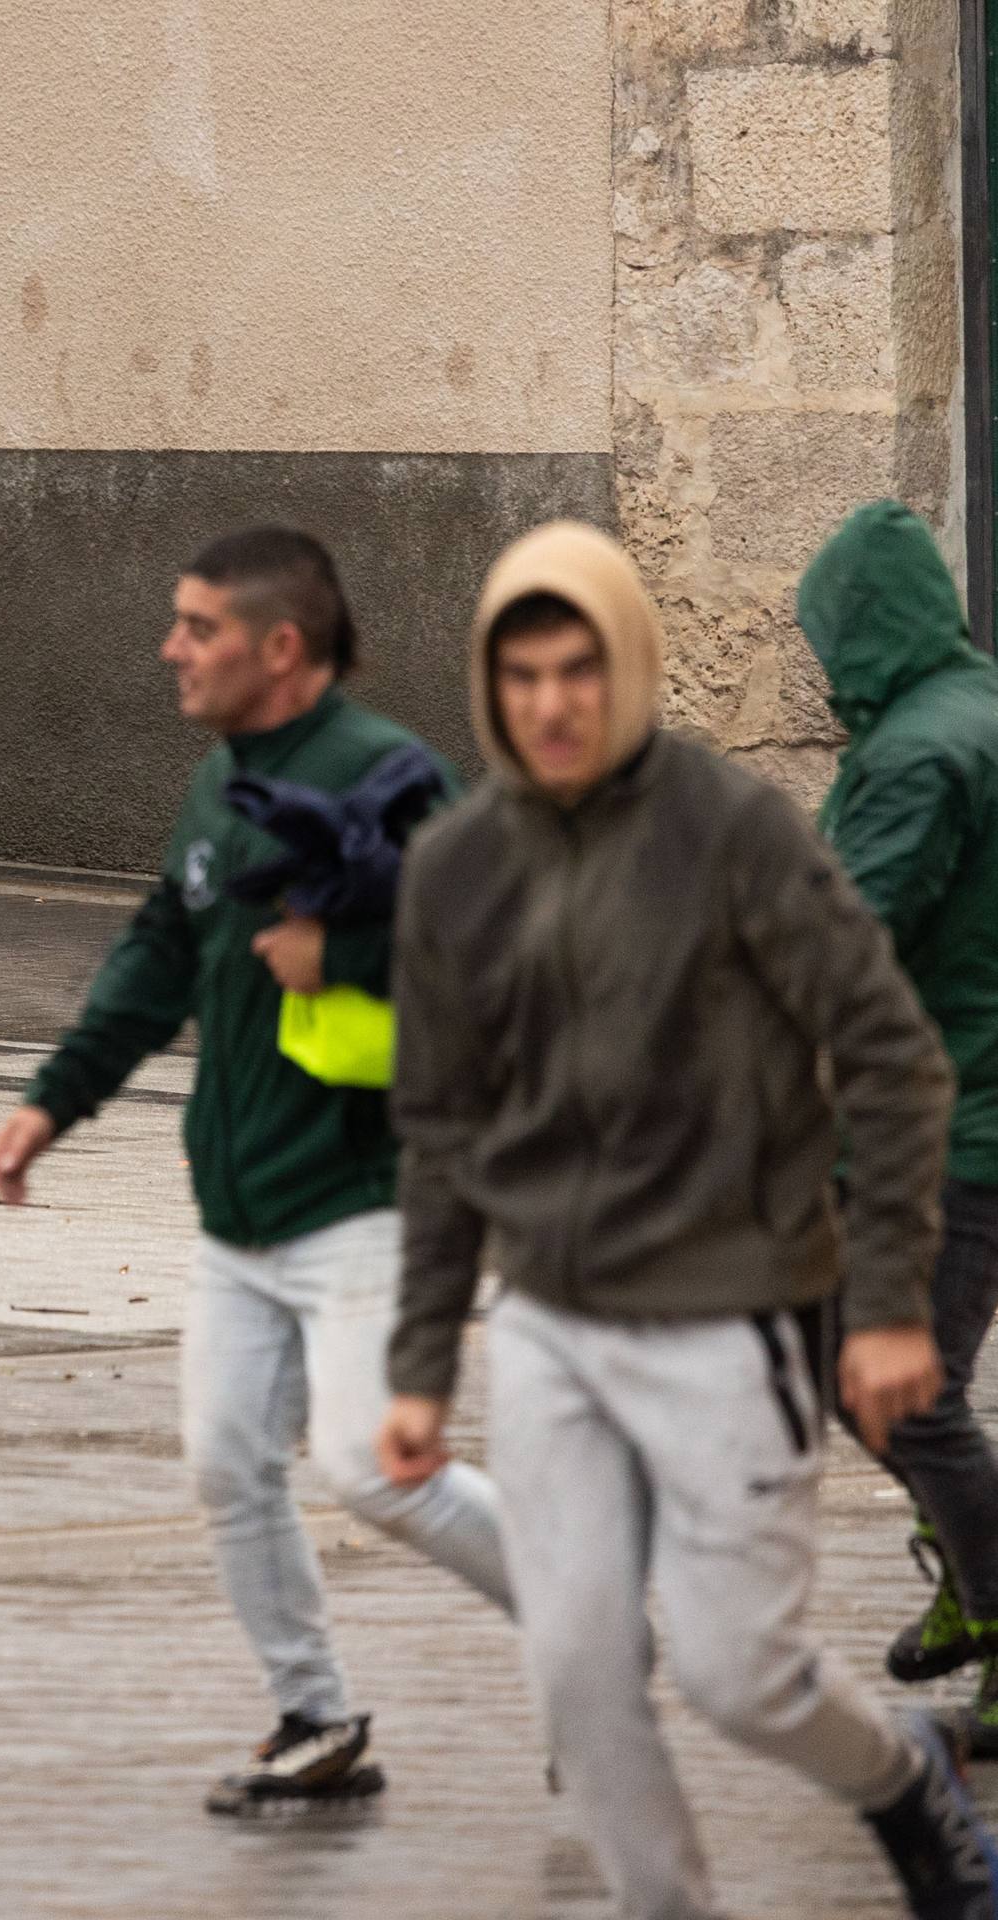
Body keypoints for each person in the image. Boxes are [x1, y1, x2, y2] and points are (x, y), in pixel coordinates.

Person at [379, 520, 997, 1920]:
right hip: (549, 1328)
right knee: (576, 1671)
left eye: (578, 670)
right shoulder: (455, 871)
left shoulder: (730, 833)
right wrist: (418, 1364)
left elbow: (889, 1055)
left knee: (738, 1675)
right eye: (519, 674)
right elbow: (438, 1136)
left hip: (730, 1320)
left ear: (630, 666)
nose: (549, 704)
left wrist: (885, 1304)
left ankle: (901, 1778)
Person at [0, 527, 512, 1814]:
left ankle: (596, 1619)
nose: (170, 647)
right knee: (227, 1463)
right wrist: (54, 1102)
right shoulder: (220, 779)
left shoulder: (392, 776)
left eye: (197, 627)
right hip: (237, 1213)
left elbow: (493, 957)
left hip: (362, 1197)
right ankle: (313, 1718)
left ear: (279, 647)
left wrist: (345, 959)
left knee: (377, 1472)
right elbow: (157, 952)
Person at [798, 502, 998, 1743]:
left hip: (949, 1125)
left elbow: (842, 943)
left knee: (904, 1390)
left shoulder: (918, 755)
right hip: (949, 1108)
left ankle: (990, 1603)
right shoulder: (968, 712)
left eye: (826, 641)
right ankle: (970, 1578)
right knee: (866, 1368)